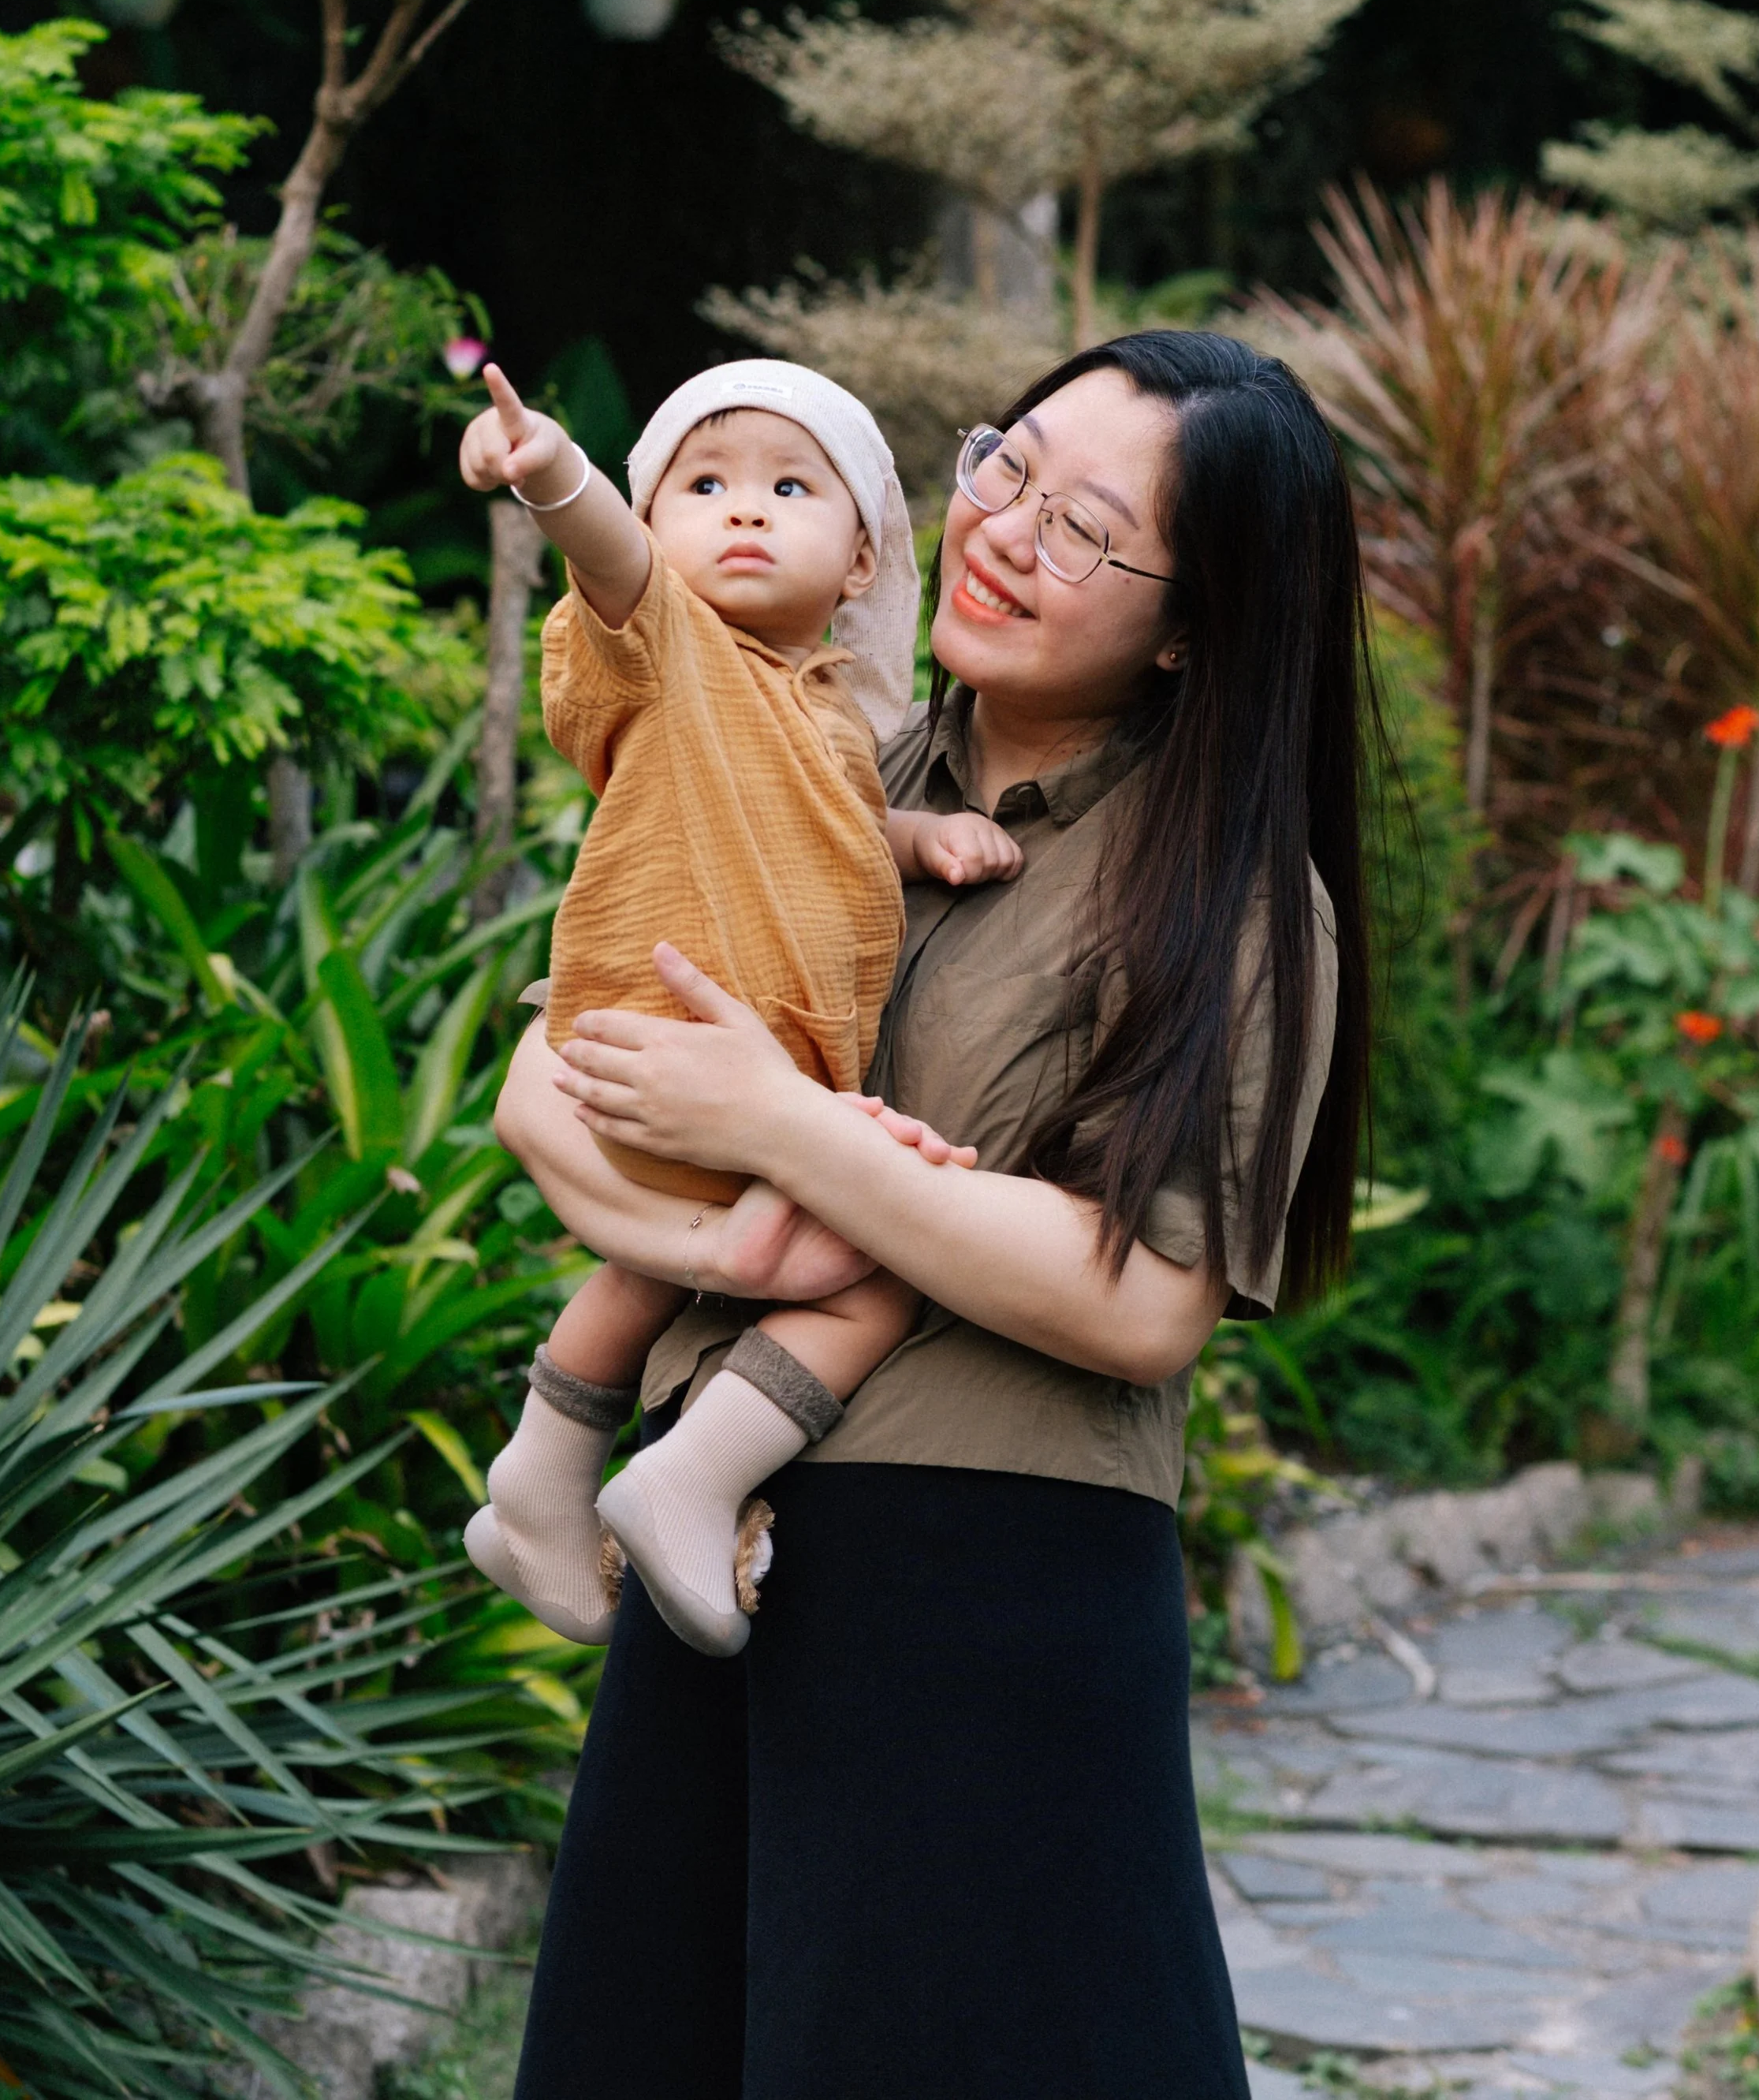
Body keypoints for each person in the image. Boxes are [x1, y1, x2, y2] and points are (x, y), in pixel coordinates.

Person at [492, 330, 1376, 2100]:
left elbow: (1140, 1306)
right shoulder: (799, 756)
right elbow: (545, 1090)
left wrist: (788, 1141)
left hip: (995, 1592)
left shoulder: (1230, 903)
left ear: (1193, 621)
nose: (1002, 530)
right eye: (1004, 467)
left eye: (1085, 532)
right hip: (712, 1550)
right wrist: (723, 1246)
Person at [458, 357, 1022, 1657]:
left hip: (739, 1073)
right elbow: (610, 561)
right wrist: (557, 476)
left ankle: (544, 1476)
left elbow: (822, 819)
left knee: (649, 1267)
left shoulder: (821, 708)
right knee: (878, 1265)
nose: (745, 510)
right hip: (673, 1049)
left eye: (787, 484)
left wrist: (918, 836)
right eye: (701, 486)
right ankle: (688, 1478)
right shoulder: (669, 647)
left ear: (865, 560)